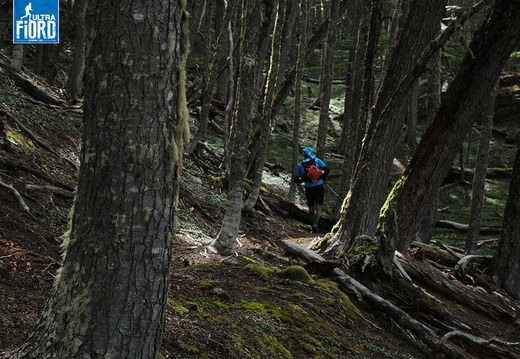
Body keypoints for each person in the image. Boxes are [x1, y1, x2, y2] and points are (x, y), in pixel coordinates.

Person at [293, 147, 330, 233]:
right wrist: (322, 178)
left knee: (311, 208)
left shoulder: (300, 165)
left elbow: (295, 180)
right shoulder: (317, 161)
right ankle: (315, 224)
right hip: (319, 186)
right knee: (319, 207)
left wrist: (303, 180)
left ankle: (312, 225)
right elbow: (327, 169)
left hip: (309, 188)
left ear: (303, 155)